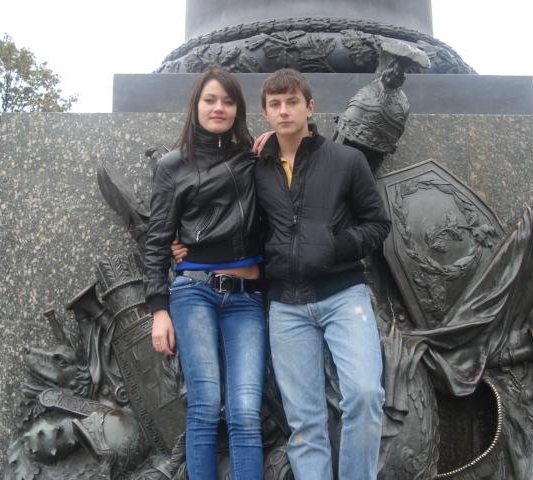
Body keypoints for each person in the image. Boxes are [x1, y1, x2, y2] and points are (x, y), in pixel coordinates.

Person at [253, 68, 391, 480]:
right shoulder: (256, 168)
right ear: (265, 113)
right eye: (275, 104)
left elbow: (378, 224)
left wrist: (335, 247)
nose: (284, 111)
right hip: (286, 305)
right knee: (304, 421)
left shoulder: (347, 161)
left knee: (365, 395)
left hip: (343, 295)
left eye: (292, 102)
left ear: (309, 107)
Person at [144, 67, 266, 480]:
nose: (219, 108)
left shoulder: (255, 157)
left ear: (238, 109)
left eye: (228, 101)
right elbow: (157, 239)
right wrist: (158, 309)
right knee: (205, 406)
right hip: (194, 292)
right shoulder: (172, 165)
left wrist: (279, 139)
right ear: (195, 105)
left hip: (247, 297)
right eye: (210, 99)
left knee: (246, 411)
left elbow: (302, 160)